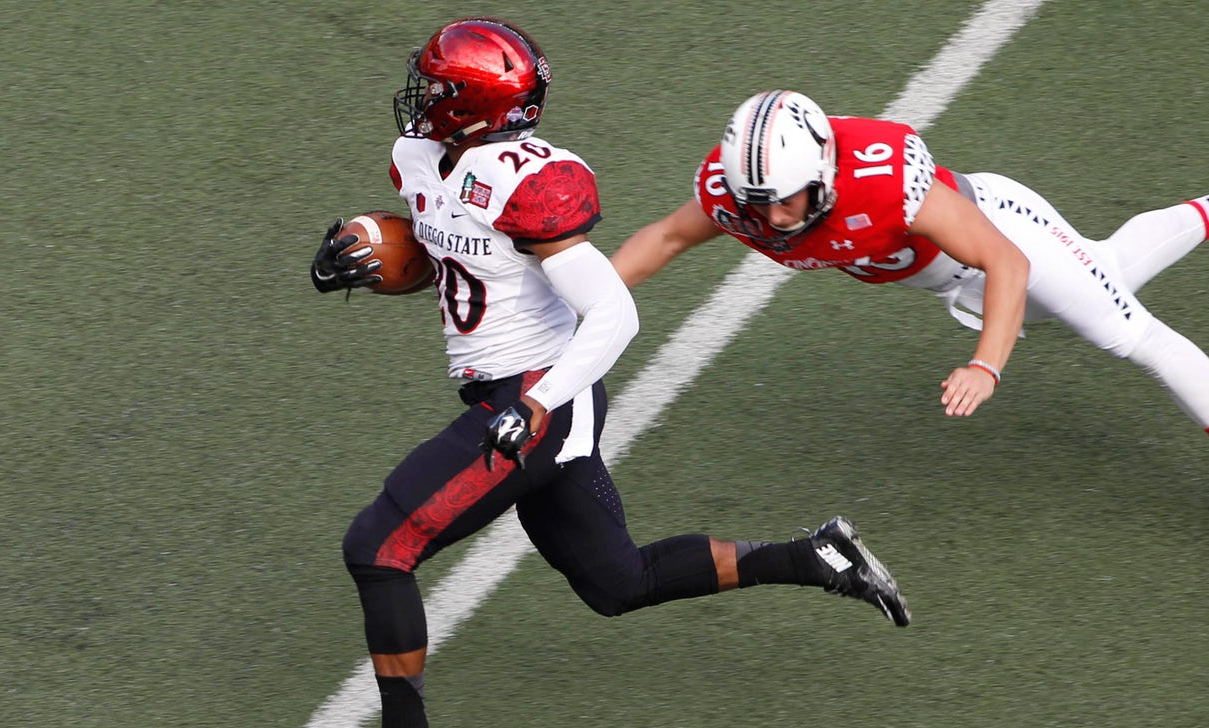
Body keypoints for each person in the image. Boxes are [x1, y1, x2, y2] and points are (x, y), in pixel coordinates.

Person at [310, 24, 909, 728]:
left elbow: (614, 313)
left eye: (439, 86)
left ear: (475, 104)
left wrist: (534, 404)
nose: (424, 96)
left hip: (539, 391)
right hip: (515, 393)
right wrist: (364, 263)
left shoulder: (524, 180)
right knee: (616, 582)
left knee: (380, 547)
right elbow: (457, 263)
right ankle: (814, 557)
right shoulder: (418, 157)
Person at [610, 89, 1209, 566]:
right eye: (758, 203)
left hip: (1005, 234)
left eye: (785, 199)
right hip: (955, 280)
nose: (775, 219)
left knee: (1126, 333)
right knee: (1112, 268)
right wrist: (596, 302)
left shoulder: (881, 175)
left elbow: (1006, 261)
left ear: (821, 168)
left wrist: (985, 364)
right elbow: (669, 237)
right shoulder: (744, 198)